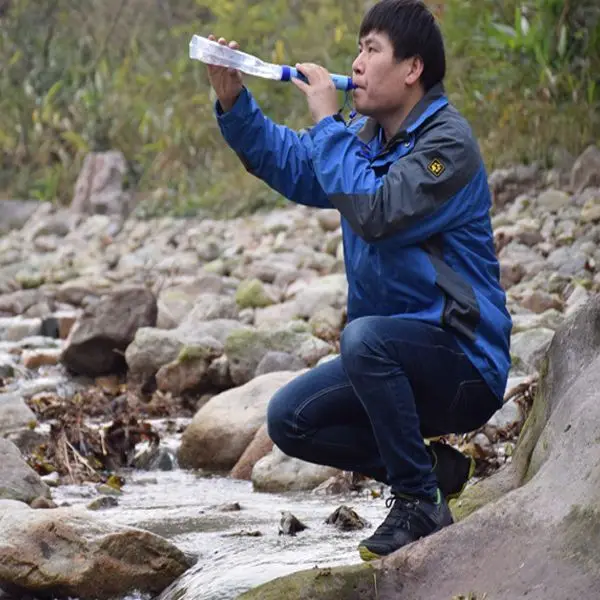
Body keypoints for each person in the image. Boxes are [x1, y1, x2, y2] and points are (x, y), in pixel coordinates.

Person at [207, 0, 512, 561]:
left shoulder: (448, 146)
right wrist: (233, 101)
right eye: (359, 48)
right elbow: (299, 165)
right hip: (392, 359)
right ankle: (432, 473)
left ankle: (418, 502)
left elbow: (376, 212)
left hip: (464, 363)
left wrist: (327, 122)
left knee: (363, 338)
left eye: (372, 50)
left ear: (412, 68)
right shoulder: (365, 136)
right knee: (290, 418)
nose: (357, 63)